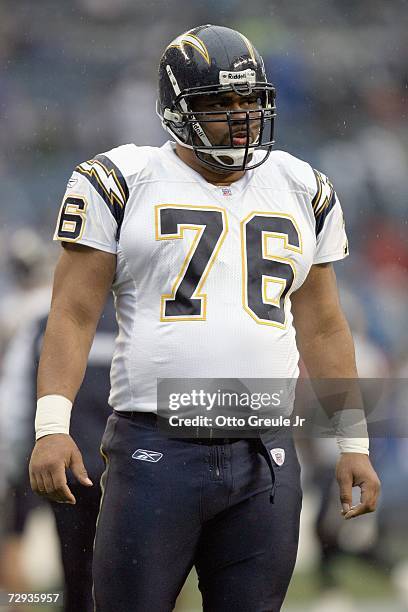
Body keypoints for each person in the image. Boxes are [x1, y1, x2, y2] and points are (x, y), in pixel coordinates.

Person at [29, 24, 380, 612]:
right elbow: (71, 313)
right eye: (220, 103)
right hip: (155, 447)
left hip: (264, 452)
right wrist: (51, 426)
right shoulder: (121, 180)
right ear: (176, 110)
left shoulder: (301, 186)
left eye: (250, 100)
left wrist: (352, 441)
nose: (241, 116)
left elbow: (323, 326)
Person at [0, 295, 116, 611]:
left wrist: (16, 468)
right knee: (135, 579)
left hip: (68, 471)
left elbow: (13, 405)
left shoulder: (43, 321)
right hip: (125, 470)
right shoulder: (141, 319)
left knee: (77, 575)